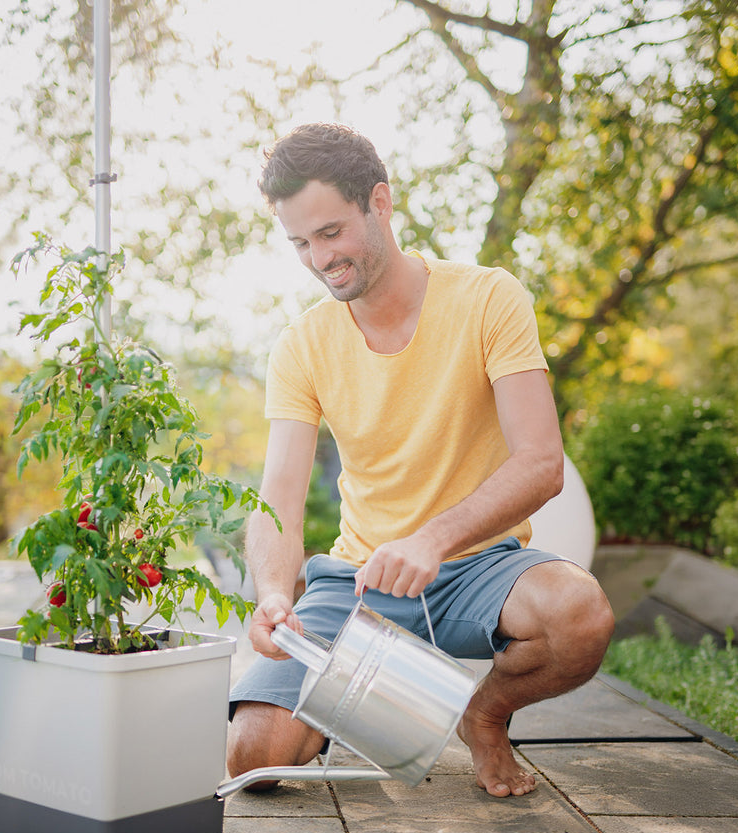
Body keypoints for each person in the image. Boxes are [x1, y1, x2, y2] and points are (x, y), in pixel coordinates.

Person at [227, 123, 615, 798]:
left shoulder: (489, 298)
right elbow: (278, 500)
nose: (320, 259)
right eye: (300, 243)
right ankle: (360, 691)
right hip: (358, 578)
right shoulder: (302, 344)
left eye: (331, 232)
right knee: (255, 761)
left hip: (482, 568)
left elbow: (542, 462)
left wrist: (433, 539)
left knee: (581, 615)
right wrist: (271, 594)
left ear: (380, 203)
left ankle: (483, 716)